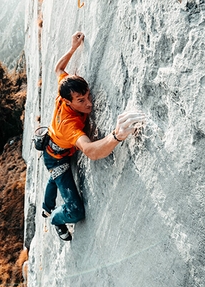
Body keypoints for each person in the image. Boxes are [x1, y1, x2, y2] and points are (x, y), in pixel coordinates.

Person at [42, 31, 146, 241]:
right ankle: (54, 218)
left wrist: (72, 48)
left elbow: (59, 69)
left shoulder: (66, 85)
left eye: (88, 95)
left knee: (55, 180)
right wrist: (117, 135)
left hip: (57, 146)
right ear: (68, 102)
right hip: (56, 157)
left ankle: (46, 206)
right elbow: (90, 151)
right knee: (75, 209)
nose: (88, 103)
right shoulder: (69, 125)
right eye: (81, 100)